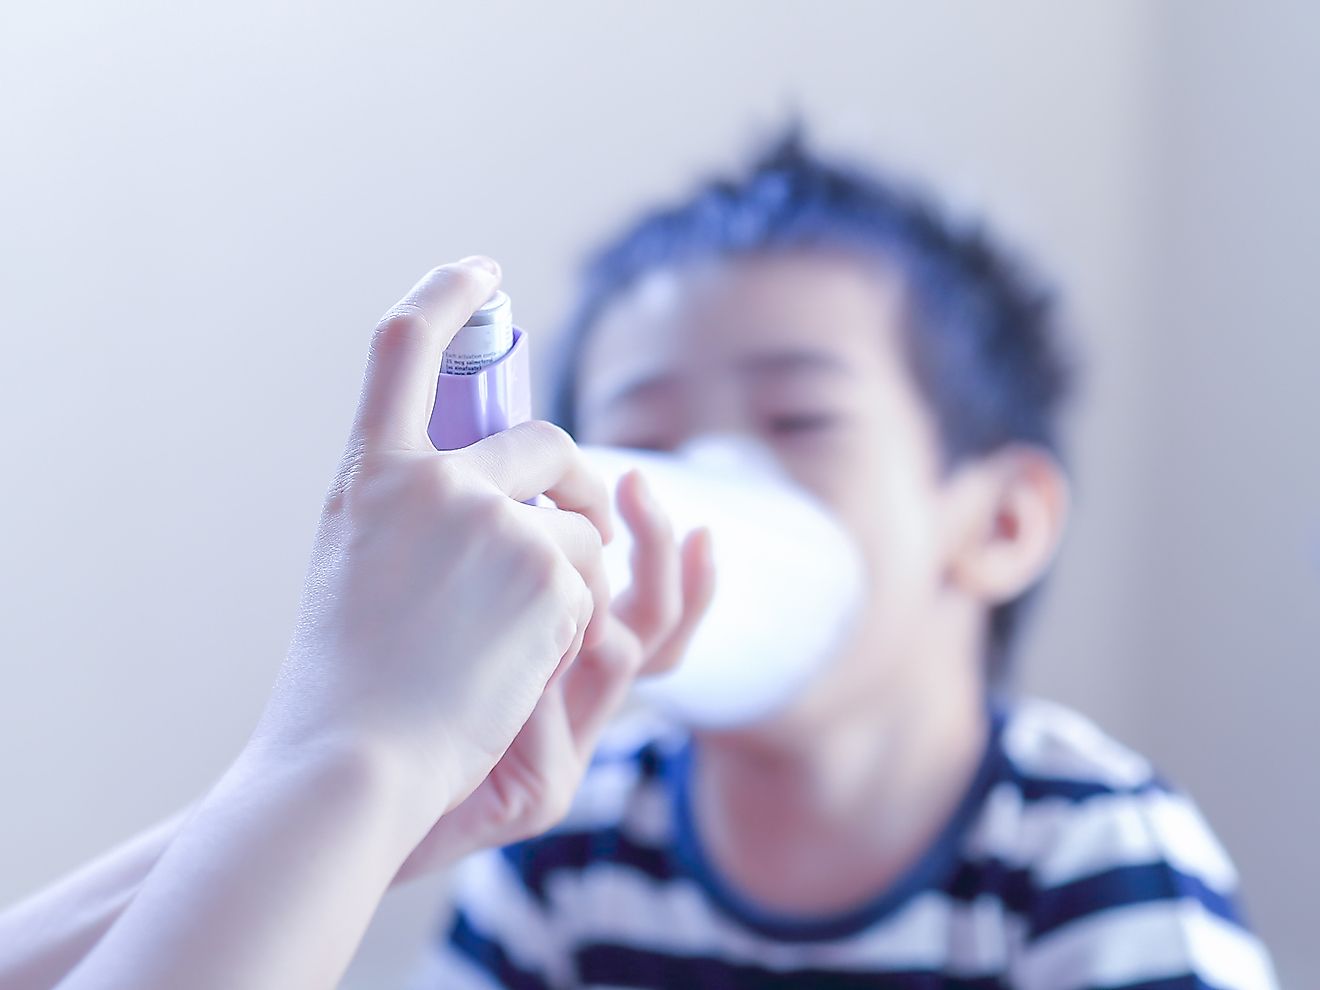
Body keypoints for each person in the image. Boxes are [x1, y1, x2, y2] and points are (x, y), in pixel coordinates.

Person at [412, 133, 1280, 988]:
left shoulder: (1090, 853)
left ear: (1002, 524)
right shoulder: (565, 836)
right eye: (642, 443)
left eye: (799, 422)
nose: (700, 485)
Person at [0, 256, 714, 990]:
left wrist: (364, 801)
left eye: (802, 417)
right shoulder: (571, 869)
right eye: (651, 445)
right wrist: (364, 766)